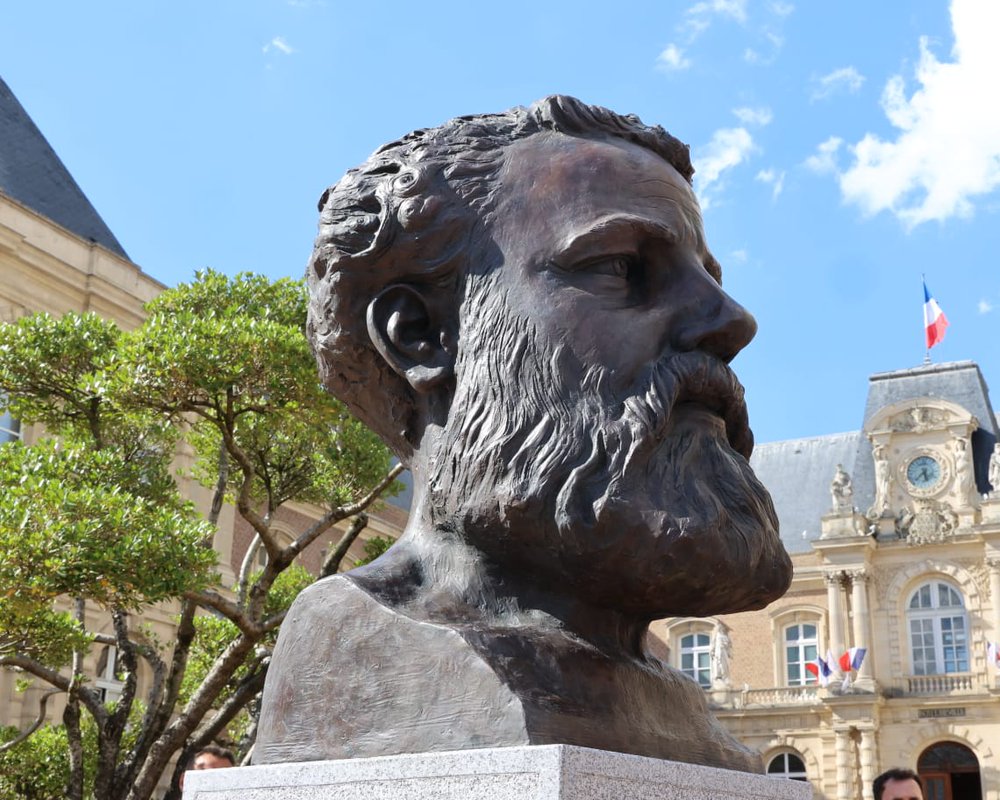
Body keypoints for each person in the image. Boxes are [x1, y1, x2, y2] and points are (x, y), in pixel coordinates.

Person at [256, 96, 792, 772]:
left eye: (708, 277)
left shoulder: (669, 701)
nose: (731, 319)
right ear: (421, 335)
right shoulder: (355, 649)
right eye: (621, 266)